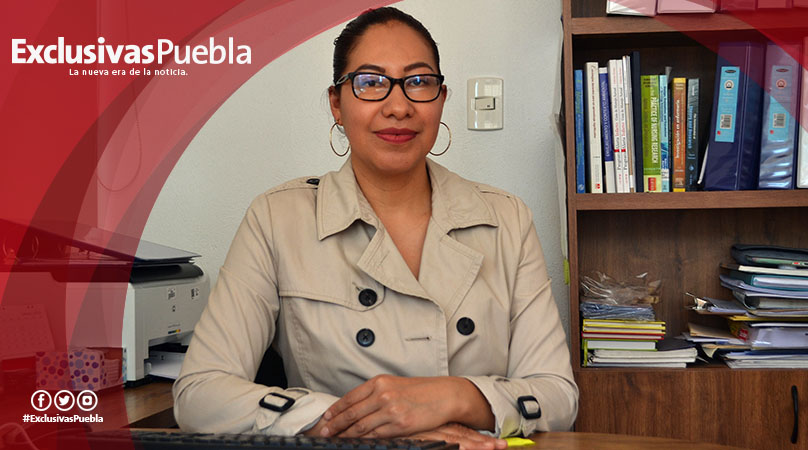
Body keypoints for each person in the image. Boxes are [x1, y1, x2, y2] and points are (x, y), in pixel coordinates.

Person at [173, 7, 578, 449]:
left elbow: (557, 396)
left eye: (418, 81)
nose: (399, 107)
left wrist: (456, 397)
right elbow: (200, 394)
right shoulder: (277, 219)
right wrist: (363, 423)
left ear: (441, 99)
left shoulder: (505, 219)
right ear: (337, 103)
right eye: (370, 82)